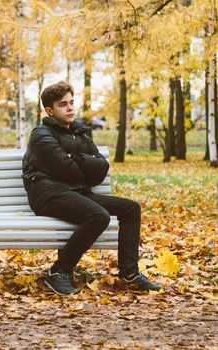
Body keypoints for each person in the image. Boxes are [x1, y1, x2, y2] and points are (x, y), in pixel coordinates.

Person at [22, 81, 161, 296]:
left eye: (71, 102)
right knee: (99, 216)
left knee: (131, 208)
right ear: (49, 111)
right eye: (63, 104)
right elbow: (68, 170)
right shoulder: (40, 135)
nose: (70, 108)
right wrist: (82, 162)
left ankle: (130, 273)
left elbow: (100, 170)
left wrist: (74, 157)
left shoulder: (81, 133)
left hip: (77, 193)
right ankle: (58, 272)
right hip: (48, 195)